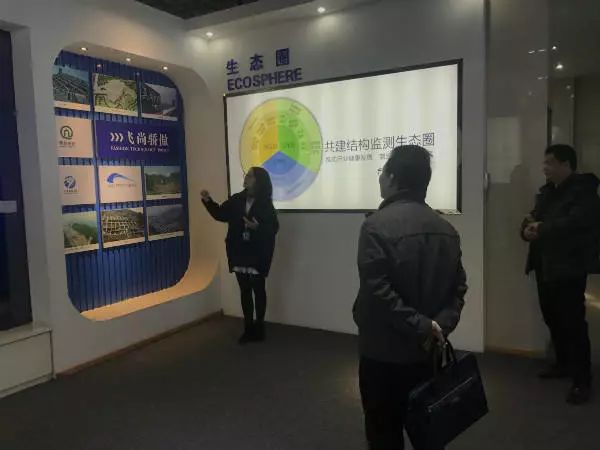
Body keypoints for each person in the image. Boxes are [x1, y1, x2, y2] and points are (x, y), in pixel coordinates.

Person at [353, 145, 467, 450]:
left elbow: (378, 293)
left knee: (383, 433)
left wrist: (422, 325)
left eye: (382, 172)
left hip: (383, 353)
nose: (380, 178)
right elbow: (458, 287)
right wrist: (438, 326)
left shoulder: (375, 226)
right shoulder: (446, 228)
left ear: (392, 178)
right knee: (429, 433)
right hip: (428, 352)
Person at [521, 144, 600, 405]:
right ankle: (564, 363)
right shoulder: (547, 192)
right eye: (545, 162)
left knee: (573, 322)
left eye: (550, 163)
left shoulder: (584, 191)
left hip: (569, 267)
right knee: (552, 317)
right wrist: (526, 231)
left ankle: (582, 380)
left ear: (566, 165)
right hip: (545, 266)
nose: (545, 167)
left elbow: (576, 223)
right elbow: (531, 218)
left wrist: (541, 228)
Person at [201, 167, 279, 344]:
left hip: (257, 252)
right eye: (246, 175)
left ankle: (259, 327)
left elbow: (274, 228)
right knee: (244, 290)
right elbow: (220, 214)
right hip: (239, 250)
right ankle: (248, 328)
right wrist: (208, 201)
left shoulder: (265, 203)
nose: (246, 178)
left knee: (258, 289)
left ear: (258, 181)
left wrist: (257, 227)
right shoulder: (237, 199)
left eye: (250, 176)